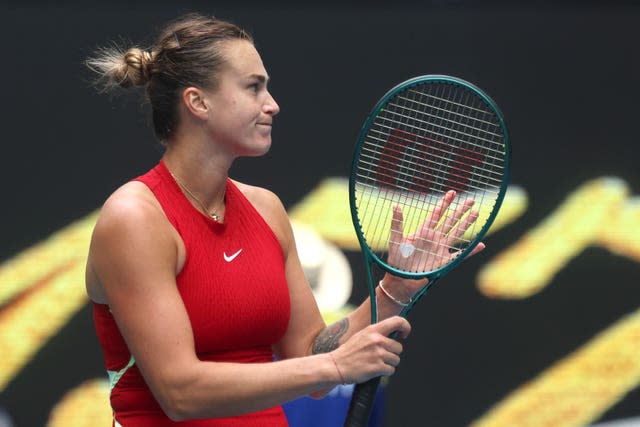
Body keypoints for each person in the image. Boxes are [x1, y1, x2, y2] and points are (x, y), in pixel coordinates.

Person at [85, 12, 484, 427]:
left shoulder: (266, 210)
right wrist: (336, 368)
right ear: (197, 102)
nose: (272, 104)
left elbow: (311, 357)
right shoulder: (135, 218)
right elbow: (180, 392)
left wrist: (394, 288)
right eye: (254, 87)